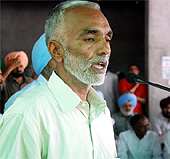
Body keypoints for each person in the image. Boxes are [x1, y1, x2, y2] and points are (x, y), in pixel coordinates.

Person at [0, 1, 117, 158]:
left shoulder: (101, 111)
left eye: (107, 38)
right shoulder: (27, 114)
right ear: (56, 50)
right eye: (90, 38)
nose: (106, 49)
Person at [4, 33, 55, 112]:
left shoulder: (30, 81)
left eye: (20, 66)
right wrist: (11, 66)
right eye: (15, 67)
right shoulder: (8, 85)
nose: (18, 69)